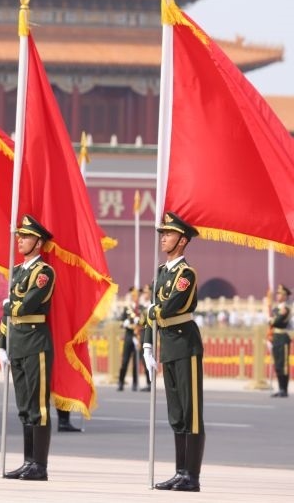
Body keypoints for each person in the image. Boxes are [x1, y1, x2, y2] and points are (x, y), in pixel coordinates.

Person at [143, 211, 204, 492]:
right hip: (167, 345)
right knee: (177, 414)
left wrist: (150, 311)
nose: (163, 238)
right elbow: (152, 315)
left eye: (168, 234)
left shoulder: (185, 274)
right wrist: (147, 344)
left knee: (191, 413)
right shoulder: (162, 272)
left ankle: (192, 476)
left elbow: (165, 309)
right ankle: (180, 472)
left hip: (185, 344)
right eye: (163, 233)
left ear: (182, 240)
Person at [0, 214, 55, 482]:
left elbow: (26, 305)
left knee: (37, 406)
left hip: (35, 342)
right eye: (20, 236)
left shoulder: (44, 272)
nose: (20, 240)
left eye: (26, 236)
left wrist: (8, 306)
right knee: (24, 406)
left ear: (39, 242)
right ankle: (27, 462)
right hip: (18, 343)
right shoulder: (19, 270)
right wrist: (2, 343)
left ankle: (39, 466)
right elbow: (8, 314)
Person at [117, 288, 145, 392]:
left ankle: (135, 383)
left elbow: (144, 322)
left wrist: (140, 321)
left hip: (137, 336)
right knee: (125, 361)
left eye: (137, 295)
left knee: (136, 362)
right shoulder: (127, 308)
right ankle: (121, 382)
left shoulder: (141, 308)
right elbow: (121, 321)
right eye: (134, 295)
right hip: (129, 336)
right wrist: (125, 323)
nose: (135, 297)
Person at [269, 285, 291, 398]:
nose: (278, 296)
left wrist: (272, 319)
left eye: (280, 294)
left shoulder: (286, 308)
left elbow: (276, 322)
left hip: (283, 337)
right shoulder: (276, 308)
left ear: (285, 296)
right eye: (277, 293)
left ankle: (284, 389)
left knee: (283, 365)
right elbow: (272, 321)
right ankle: (280, 388)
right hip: (276, 337)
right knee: (277, 364)